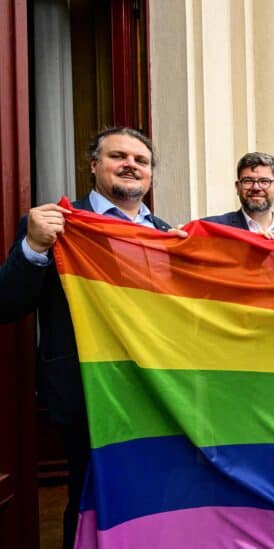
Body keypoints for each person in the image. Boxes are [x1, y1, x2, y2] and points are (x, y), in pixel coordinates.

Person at [0, 127, 181, 549]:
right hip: (87, 393)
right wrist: (33, 247)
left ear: (151, 175)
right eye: (119, 156)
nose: (131, 165)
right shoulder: (56, 225)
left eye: (141, 161)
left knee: (156, 501)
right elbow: (8, 304)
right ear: (94, 164)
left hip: (158, 393)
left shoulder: (170, 235)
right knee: (89, 501)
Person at [202, 152, 274, 238]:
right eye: (248, 181)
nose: (256, 188)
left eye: (264, 181)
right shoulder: (211, 229)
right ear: (238, 187)